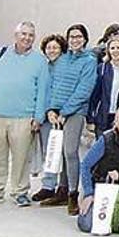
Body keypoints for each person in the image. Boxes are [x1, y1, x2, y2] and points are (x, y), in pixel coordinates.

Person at [0, 21, 49, 208]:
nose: (27, 38)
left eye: (31, 35)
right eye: (23, 34)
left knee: (21, 158)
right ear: (15, 35)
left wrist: (38, 117)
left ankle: (20, 192)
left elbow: (43, 90)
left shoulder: (39, 61)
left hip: (24, 118)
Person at [44, 24, 98, 215]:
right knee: (59, 152)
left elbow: (84, 90)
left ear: (85, 39)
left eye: (78, 36)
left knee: (70, 151)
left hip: (75, 112)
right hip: (57, 111)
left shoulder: (89, 61)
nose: (75, 40)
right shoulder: (62, 59)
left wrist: (65, 112)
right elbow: (54, 86)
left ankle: (74, 194)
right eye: (71, 36)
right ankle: (62, 189)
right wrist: (51, 109)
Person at [30, 34, 67, 202]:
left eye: (55, 47)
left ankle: (64, 187)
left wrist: (58, 111)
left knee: (65, 152)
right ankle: (48, 186)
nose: (52, 51)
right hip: (46, 116)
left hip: (61, 115)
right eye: (49, 48)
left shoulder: (65, 66)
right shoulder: (43, 67)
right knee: (49, 151)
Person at [89, 36, 119, 134]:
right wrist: (91, 119)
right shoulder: (102, 68)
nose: (115, 51)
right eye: (112, 48)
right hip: (104, 116)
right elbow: (95, 95)